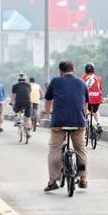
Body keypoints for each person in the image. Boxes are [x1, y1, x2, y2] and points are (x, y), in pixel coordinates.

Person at [43, 61, 89, 192]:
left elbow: (48, 102)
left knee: (54, 150)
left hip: (59, 122)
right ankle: (83, 179)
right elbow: (85, 105)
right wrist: (83, 117)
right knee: (81, 149)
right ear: (73, 70)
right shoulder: (81, 82)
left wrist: (48, 113)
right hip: (78, 122)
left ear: (60, 71)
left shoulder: (55, 82)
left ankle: (52, 181)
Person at [81, 63, 103, 133]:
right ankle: (98, 123)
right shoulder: (98, 78)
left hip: (87, 100)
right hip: (97, 99)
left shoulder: (82, 78)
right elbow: (100, 89)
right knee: (95, 111)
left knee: (85, 109)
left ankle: (88, 122)